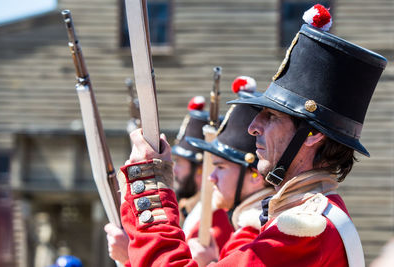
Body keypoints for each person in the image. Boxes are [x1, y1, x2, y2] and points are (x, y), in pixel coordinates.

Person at [117, 4, 387, 266]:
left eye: (272, 116)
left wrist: (150, 189)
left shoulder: (306, 230)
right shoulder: (298, 221)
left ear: (313, 134)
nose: (253, 126)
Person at [105, 96, 231, 265]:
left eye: (180, 163)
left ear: (201, 170)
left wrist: (129, 256)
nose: (174, 169)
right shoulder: (188, 210)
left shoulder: (216, 219)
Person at [186, 76, 275, 264]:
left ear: (255, 176)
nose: (211, 177)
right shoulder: (247, 230)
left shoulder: (252, 238)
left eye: (220, 167)